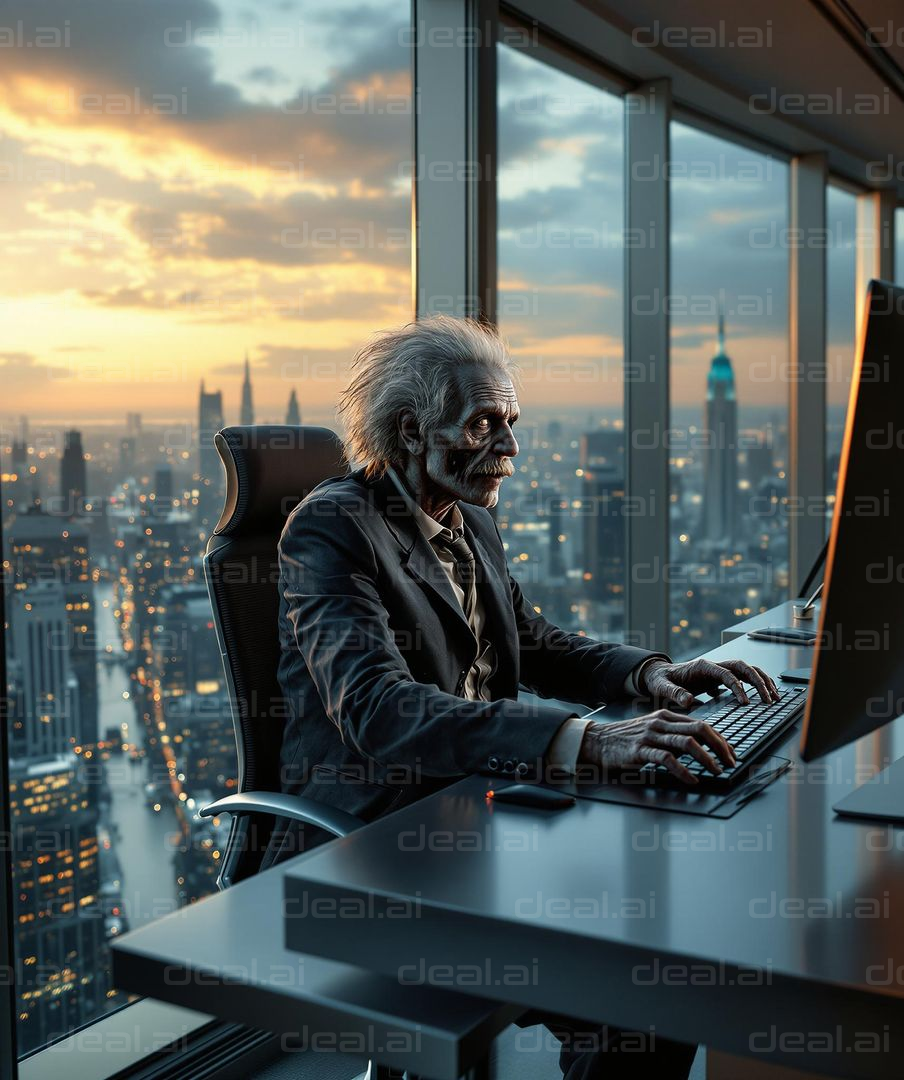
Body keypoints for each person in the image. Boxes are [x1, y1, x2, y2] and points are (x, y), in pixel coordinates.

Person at [267, 314, 779, 1078]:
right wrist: (586, 739)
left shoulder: (468, 519)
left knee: (674, 956)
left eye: (511, 423)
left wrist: (644, 675)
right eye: (483, 426)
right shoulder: (334, 530)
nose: (510, 448)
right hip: (378, 840)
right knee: (644, 981)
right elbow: (378, 710)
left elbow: (530, 642)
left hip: (480, 812)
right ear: (411, 432)